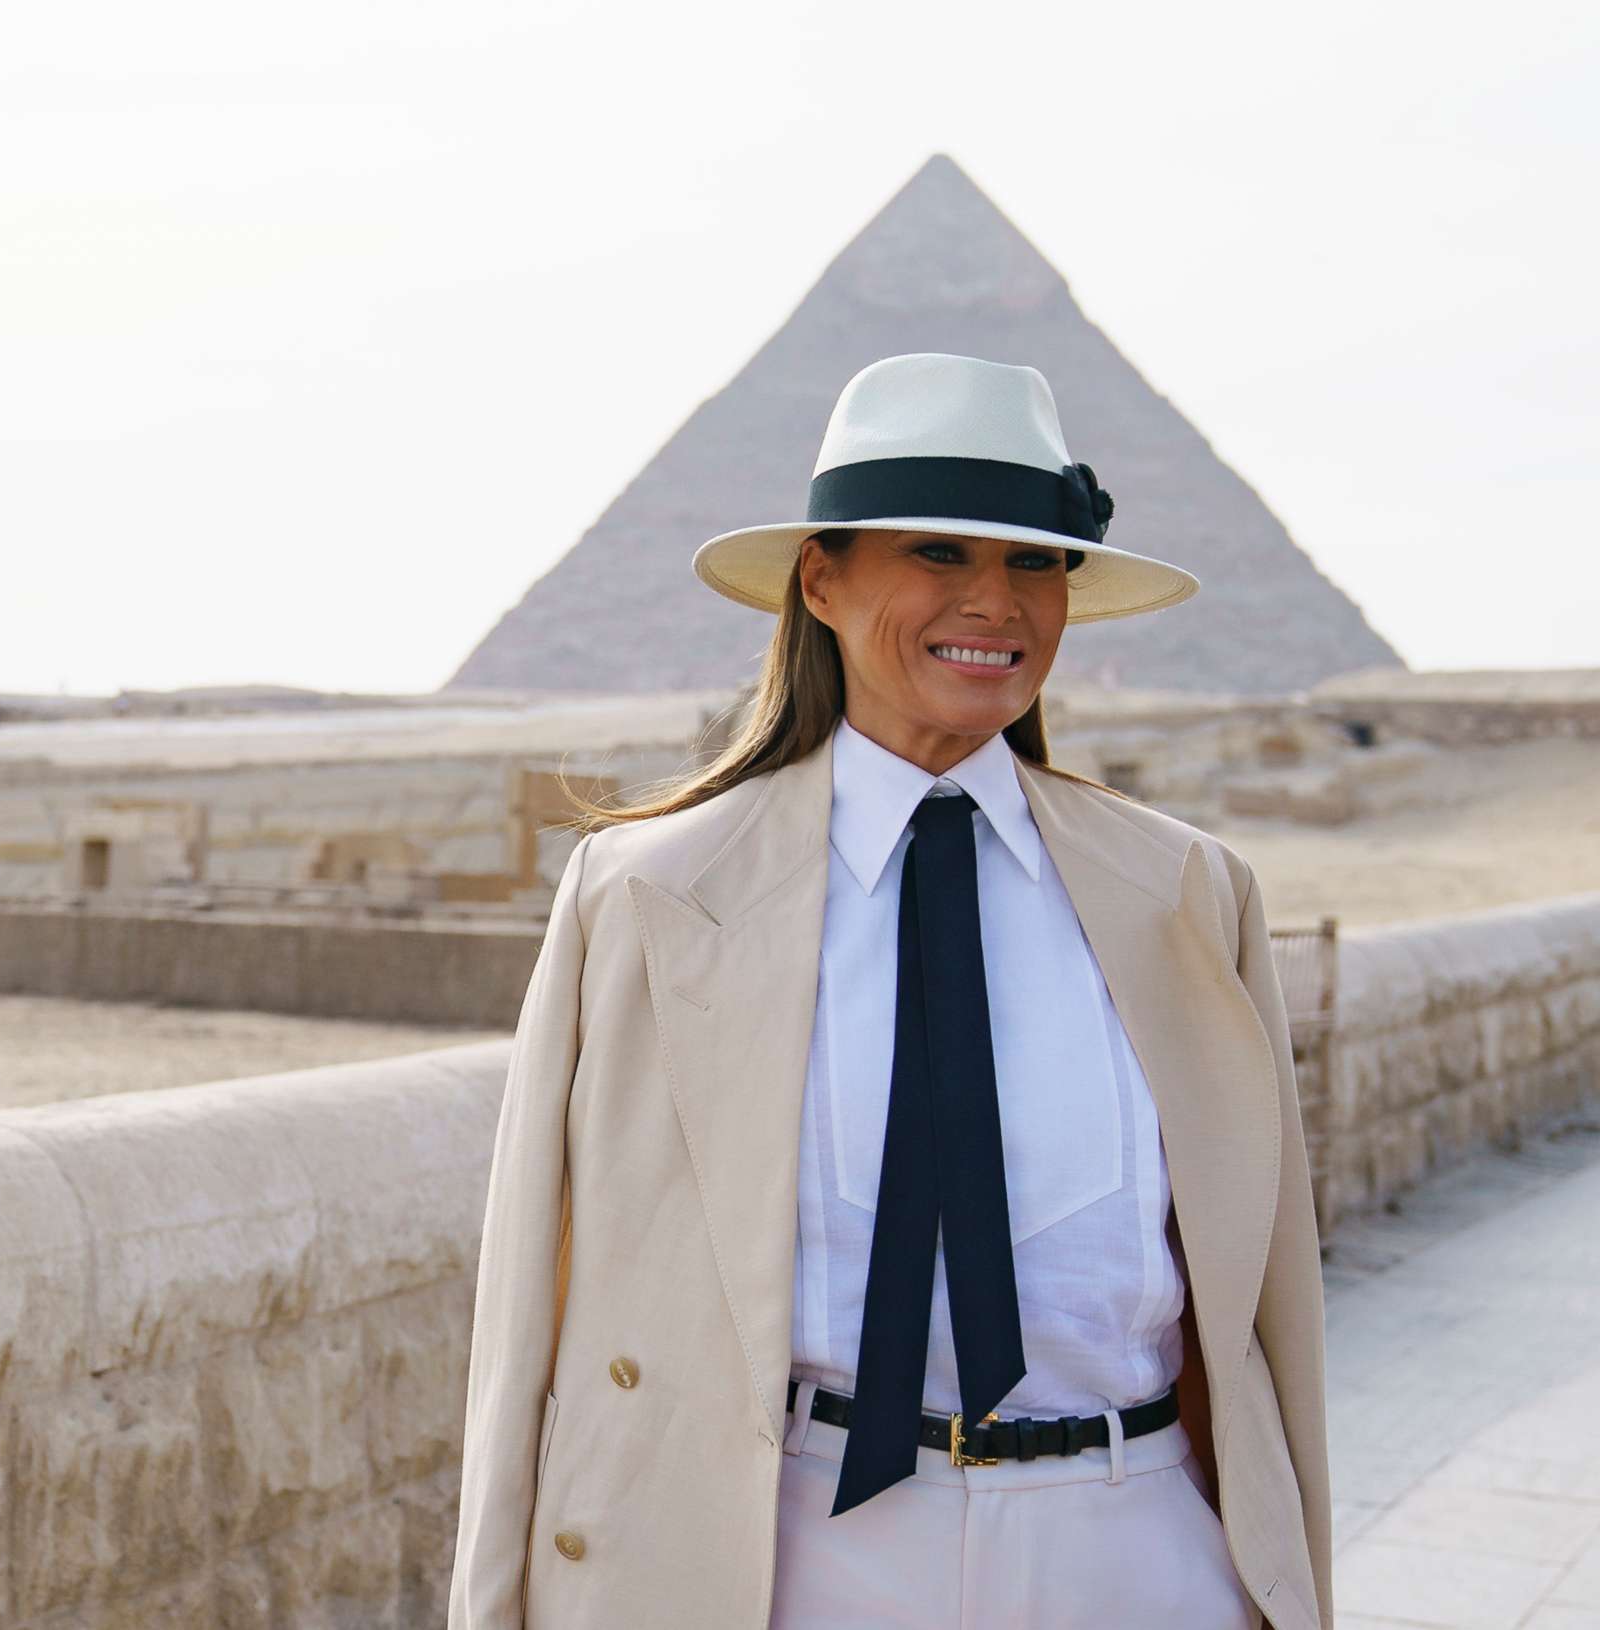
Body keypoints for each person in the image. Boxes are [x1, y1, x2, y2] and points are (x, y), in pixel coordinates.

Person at [448, 354, 1327, 1630]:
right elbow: (530, 1314)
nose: (998, 602)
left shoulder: (1191, 893)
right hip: (790, 1553)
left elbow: (1271, 1319)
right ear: (822, 577)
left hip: (1135, 1543)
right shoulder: (645, 897)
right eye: (940, 553)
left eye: (1037, 561)